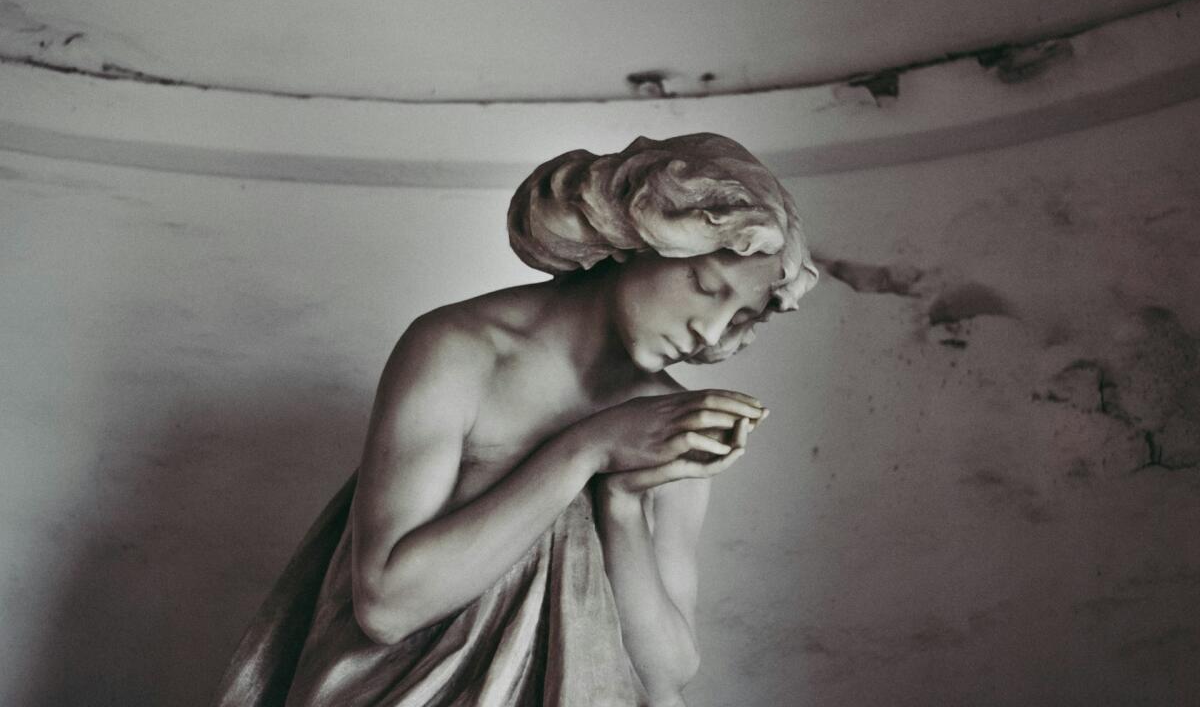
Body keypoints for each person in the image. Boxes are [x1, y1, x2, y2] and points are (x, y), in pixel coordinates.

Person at [211, 133, 819, 707]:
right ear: (641, 236)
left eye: (741, 317)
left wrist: (623, 503)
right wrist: (588, 448)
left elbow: (666, 674)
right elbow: (387, 606)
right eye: (705, 286)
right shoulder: (459, 349)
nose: (710, 332)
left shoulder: (667, 421)